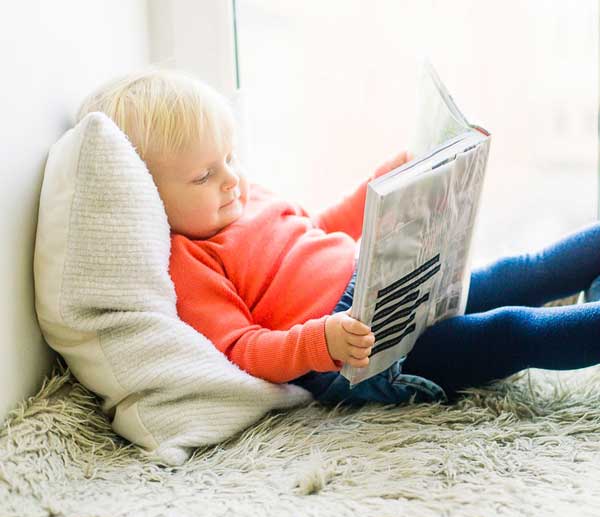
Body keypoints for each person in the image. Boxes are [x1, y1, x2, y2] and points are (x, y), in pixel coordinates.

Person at [77, 66, 600, 409]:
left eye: (229, 158)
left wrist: (384, 186)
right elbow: (242, 351)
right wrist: (320, 341)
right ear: (148, 194)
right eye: (202, 176)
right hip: (363, 351)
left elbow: (317, 226)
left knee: (526, 270)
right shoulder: (188, 262)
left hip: (386, 278)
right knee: (514, 332)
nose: (230, 178)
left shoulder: (242, 197)